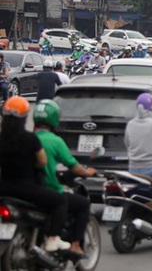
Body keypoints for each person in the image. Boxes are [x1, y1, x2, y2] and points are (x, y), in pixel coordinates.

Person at [0, 96, 70, 252]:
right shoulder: (30, 139)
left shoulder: (1, 138)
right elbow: (42, 162)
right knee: (60, 201)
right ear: (25, 117)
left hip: (4, 189)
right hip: (26, 189)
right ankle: (53, 238)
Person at [34, 99, 97, 256]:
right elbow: (73, 166)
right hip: (49, 189)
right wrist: (88, 172)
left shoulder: (29, 138)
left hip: (30, 189)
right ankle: (75, 245)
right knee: (82, 204)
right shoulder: (55, 141)